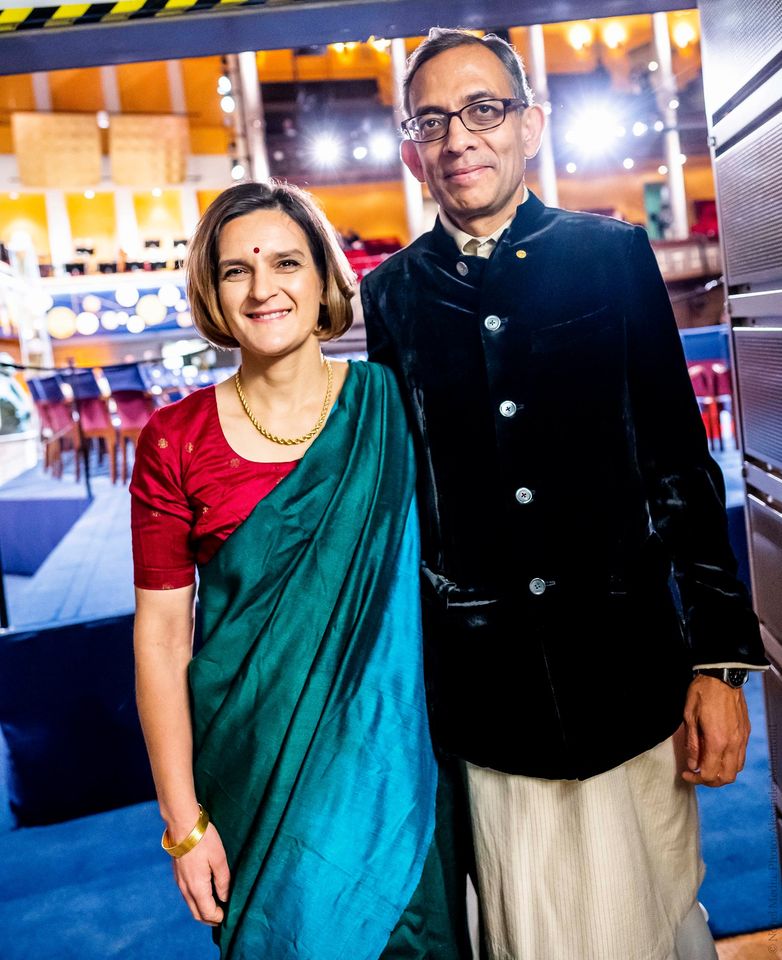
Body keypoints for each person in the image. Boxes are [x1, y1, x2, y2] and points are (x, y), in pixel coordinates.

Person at [361, 28, 767, 960]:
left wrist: (720, 665)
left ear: (530, 125)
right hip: (485, 696)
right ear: (414, 147)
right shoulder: (392, 300)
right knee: (527, 929)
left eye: (483, 110)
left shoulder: (612, 256)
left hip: (630, 673)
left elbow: (680, 466)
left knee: (657, 915)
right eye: (432, 120)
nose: (459, 136)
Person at [131, 181, 472, 960]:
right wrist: (182, 823)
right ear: (211, 293)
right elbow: (159, 639)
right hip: (251, 769)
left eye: (286, 262)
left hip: (393, 768)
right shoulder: (174, 441)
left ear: (325, 278)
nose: (263, 288)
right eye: (234, 271)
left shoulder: (391, 405)